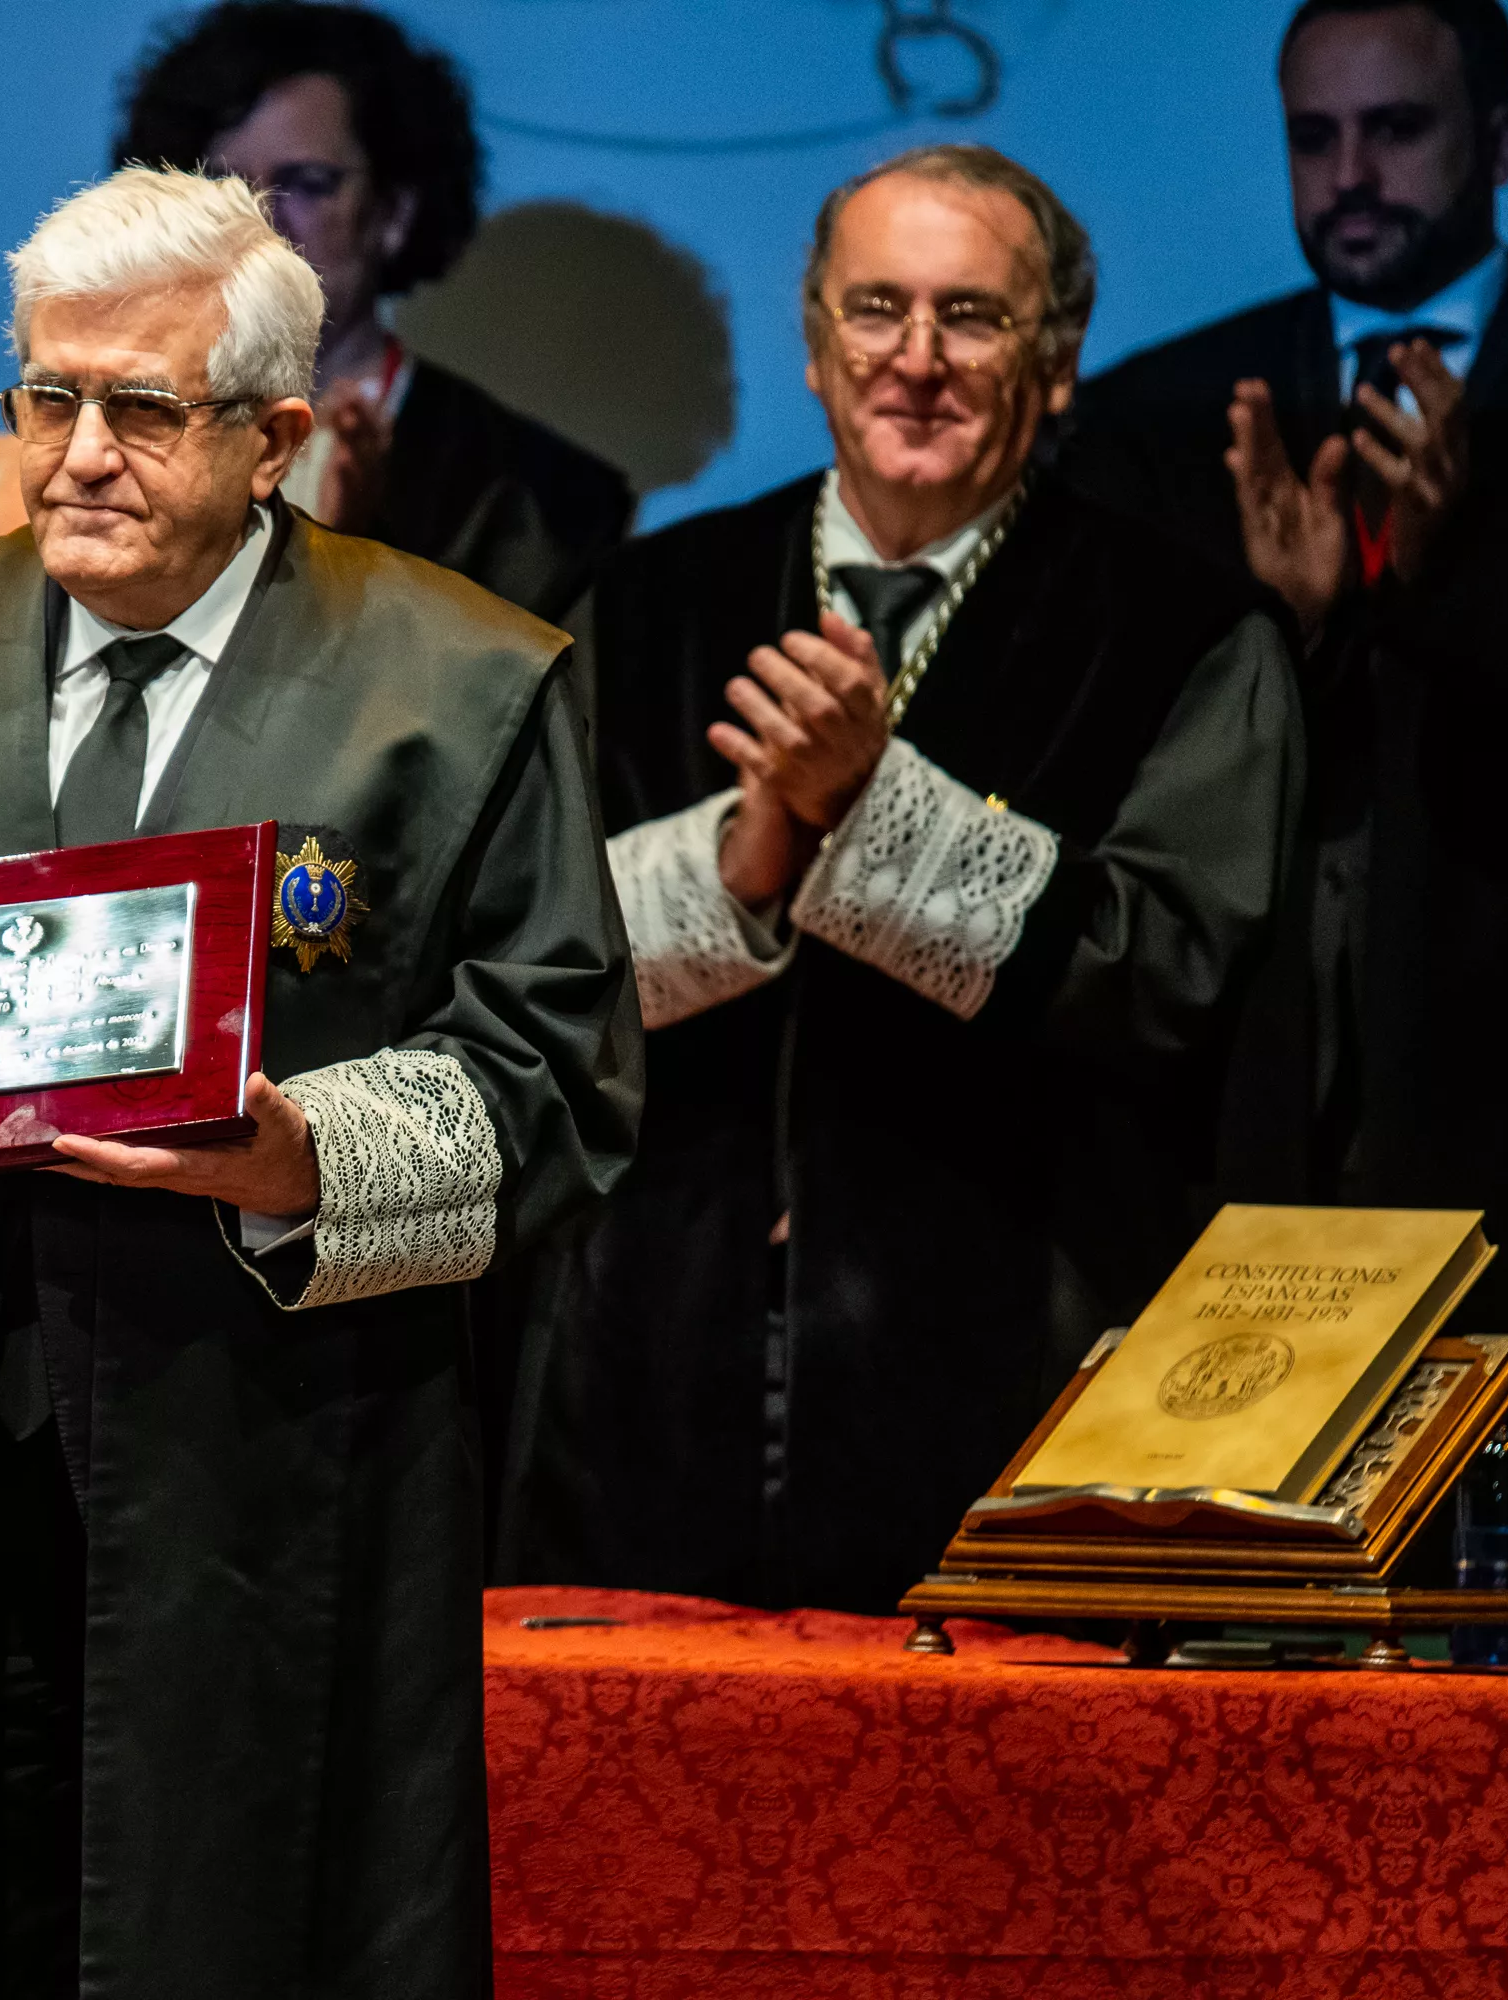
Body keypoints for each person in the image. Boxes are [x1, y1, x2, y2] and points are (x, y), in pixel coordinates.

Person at [0, 168, 637, 1999]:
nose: (77, 455)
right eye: (46, 397)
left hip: (268, 1470)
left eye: (142, 408)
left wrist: (291, 1157)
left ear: (273, 436)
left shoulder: (459, 684)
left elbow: (560, 1081)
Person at [505, 147, 1303, 1613]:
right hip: (651, 1387)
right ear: (814, 346)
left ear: (1058, 365)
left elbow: (1180, 969)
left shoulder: (1187, 627)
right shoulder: (646, 601)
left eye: (973, 318)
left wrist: (877, 815)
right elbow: (526, 961)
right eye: (876, 310)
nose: (915, 361)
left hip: (1022, 1379)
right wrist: (746, 867)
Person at [1059, 0, 1508, 1543]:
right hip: (1249, 1106)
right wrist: (1289, 633)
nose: (1351, 173)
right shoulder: (1161, 417)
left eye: (1397, 130)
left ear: (1497, 144)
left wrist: (1454, 584)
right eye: (1315, 135)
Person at [117, 0, 635, 618]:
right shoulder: (107, 431)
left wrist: (348, 549)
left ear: (394, 215)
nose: (254, 218)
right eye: (219, 183)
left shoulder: (543, 504)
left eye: (306, 183)